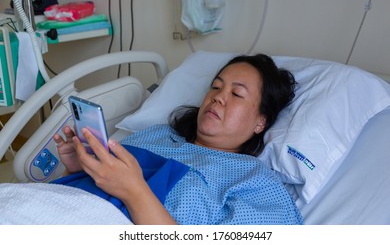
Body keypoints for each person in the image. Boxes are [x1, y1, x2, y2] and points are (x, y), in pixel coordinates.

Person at [53, 53, 303, 225]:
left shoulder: (255, 182)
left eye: (236, 94)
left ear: (261, 121)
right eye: (215, 87)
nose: (218, 97)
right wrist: (78, 169)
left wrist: (134, 191)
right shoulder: (158, 135)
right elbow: (87, 196)